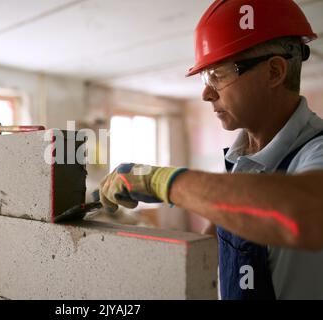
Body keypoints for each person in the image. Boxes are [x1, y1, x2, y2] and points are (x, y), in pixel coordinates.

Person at [99, 0, 323, 300]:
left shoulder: (315, 151)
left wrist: (161, 181)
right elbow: (218, 238)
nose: (206, 93)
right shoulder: (241, 158)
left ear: (273, 72)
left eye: (218, 74)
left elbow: (306, 214)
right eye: (206, 78)